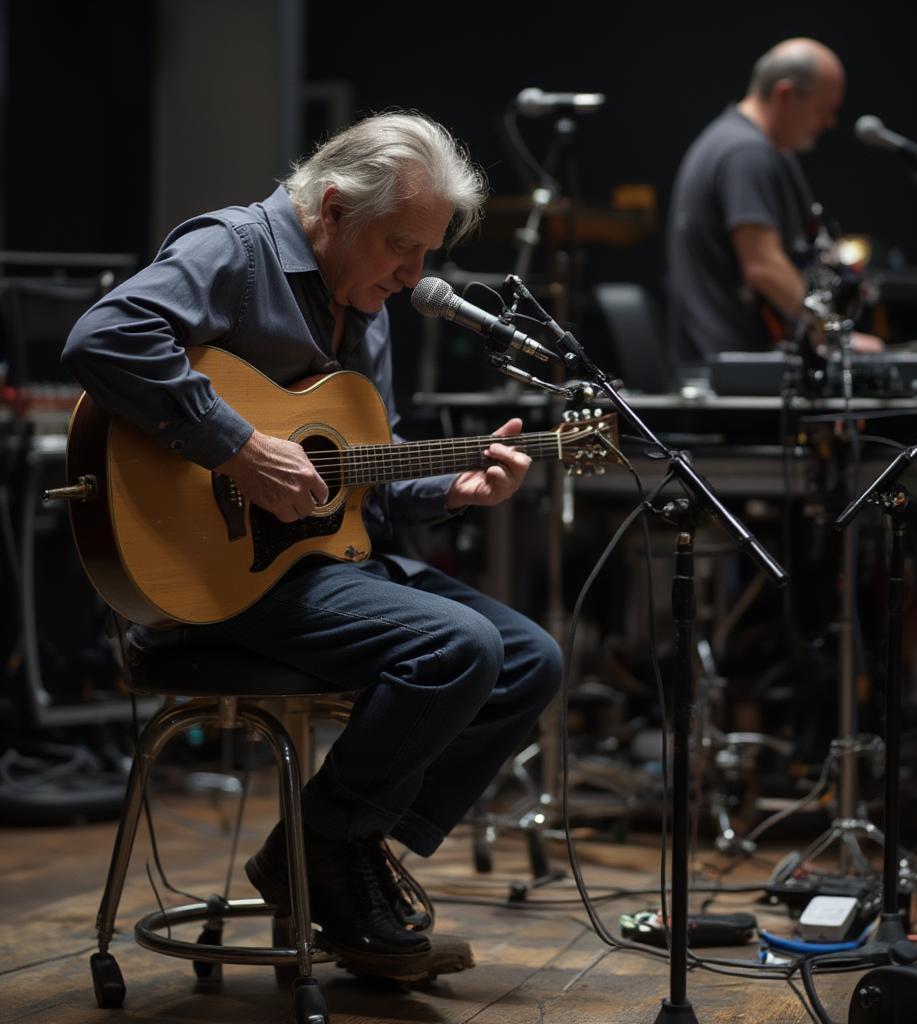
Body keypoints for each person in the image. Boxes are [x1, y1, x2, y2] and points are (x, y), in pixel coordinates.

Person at [63, 112, 563, 979]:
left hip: (318, 567)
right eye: (400, 248)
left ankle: (335, 849)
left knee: (529, 658)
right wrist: (236, 445)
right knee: (458, 645)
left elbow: (361, 473)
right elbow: (102, 337)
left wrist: (451, 487)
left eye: (426, 257)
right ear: (333, 209)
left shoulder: (364, 303)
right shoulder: (235, 249)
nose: (412, 279)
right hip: (217, 583)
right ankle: (330, 857)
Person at [666, 37, 883, 361]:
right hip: (733, 373)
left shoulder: (737, 142)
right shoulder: (746, 154)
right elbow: (763, 265)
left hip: (725, 363)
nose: (829, 123)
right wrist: (831, 333)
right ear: (785, 95)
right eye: (823, 109)